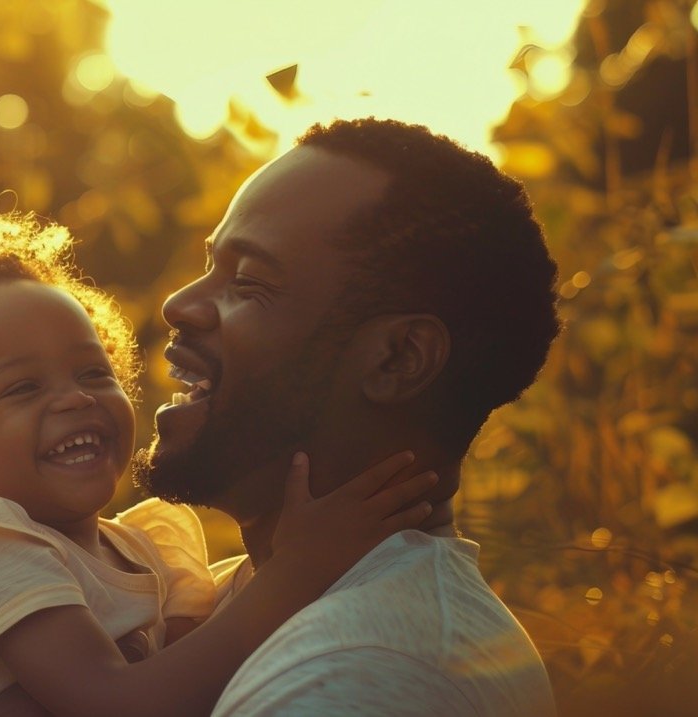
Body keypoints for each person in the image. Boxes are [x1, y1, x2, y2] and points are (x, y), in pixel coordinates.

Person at [0, 213, 438, 716]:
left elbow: (199, 675)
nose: (76, 398)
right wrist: (297, 571)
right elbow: (117, 704)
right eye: (22, 388)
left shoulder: (140, 550)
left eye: (94, 372)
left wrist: (283, 557)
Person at [136, 117, 561, 715]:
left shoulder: (359, 676)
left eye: (251, 282)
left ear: (397, 359)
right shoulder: (236, 605)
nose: (178, 304)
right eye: (211, 265)